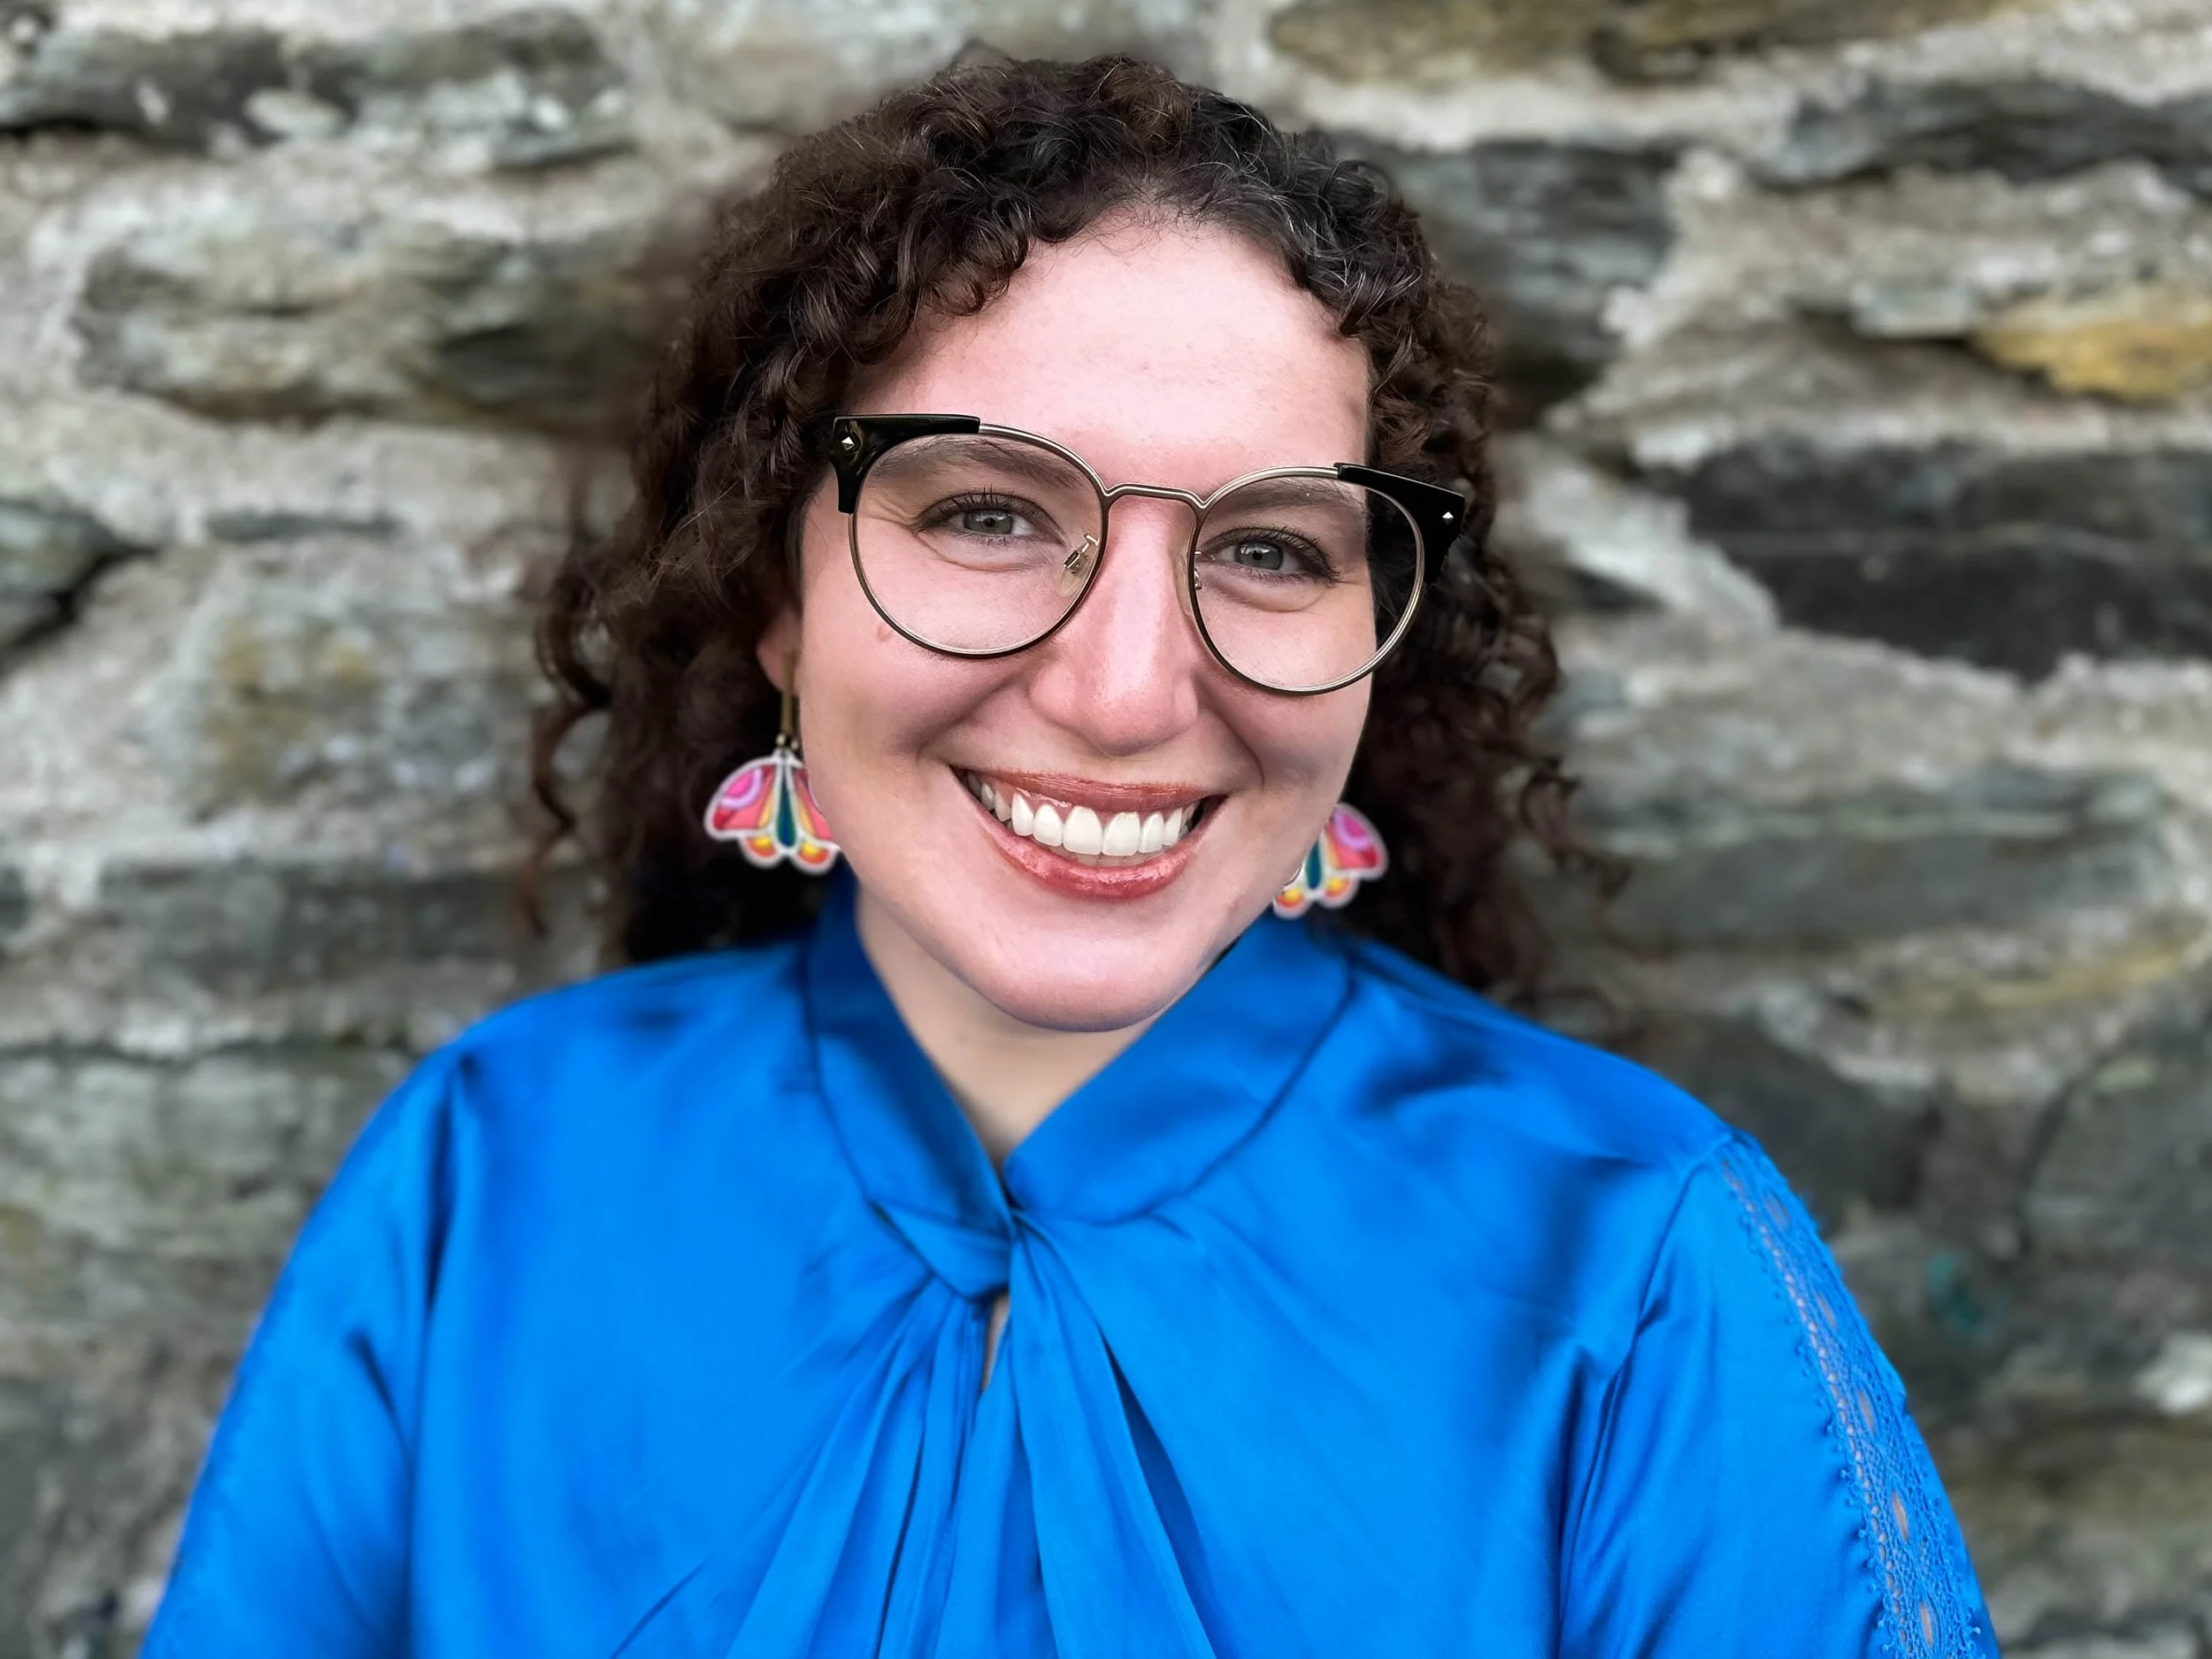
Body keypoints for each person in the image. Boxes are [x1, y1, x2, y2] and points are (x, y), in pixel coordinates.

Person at [144, 55, 1998, 1659]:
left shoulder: (1640, 1255)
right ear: (774, 592)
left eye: (1273, 547)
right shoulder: (489, 1173)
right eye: (983, 511)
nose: (1123, 692)